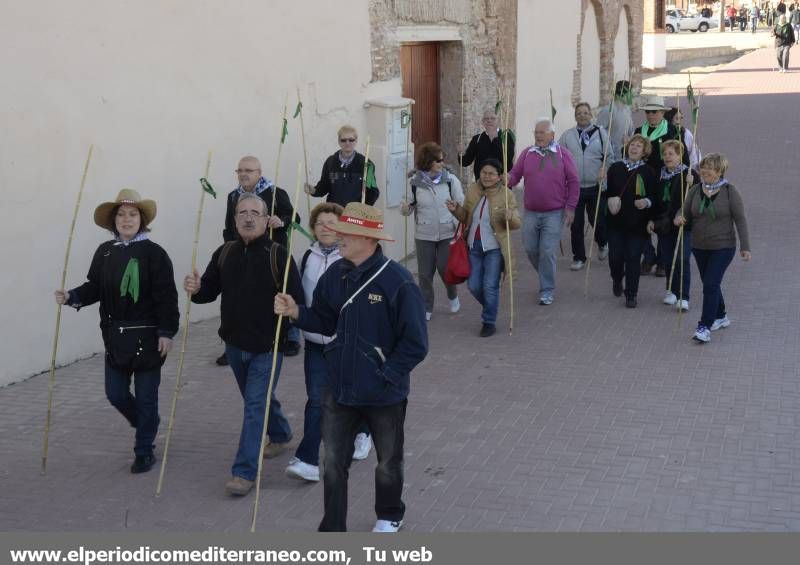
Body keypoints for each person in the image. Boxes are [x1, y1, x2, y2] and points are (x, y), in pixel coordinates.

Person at [274, 202, 428, 532]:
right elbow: (326, 320)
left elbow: (416, 344)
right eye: (339, 230)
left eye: (348, 232)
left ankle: (389, 515)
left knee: (388, 460)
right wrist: (297, 312)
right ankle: (333, 527)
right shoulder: (335, 274)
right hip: (339, 388)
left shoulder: (398, 282)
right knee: (331, 462)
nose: (338, 235)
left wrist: (385, 375)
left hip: (385, 394)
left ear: (369, 239)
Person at [183, 193, 304, 496]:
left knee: (253, 406)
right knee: (258, 402)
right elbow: (207, 292)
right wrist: (195, 289)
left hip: (268, 345)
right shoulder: (225, 253)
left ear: (266, 220)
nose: (248, 218)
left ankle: (244, 472)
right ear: (234, 220)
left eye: (255, 212)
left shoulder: (279, 255)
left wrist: (287, 312)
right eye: (242, 213)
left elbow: (297, 300)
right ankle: (280, 432)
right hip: (234, 346)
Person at [55, 189, 178, 474]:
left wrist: (166, 332)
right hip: (115, 337)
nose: (126, 219)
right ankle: (147, 422)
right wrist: (72, 296)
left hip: (148, 337)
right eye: (121, 215)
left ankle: (144, 450)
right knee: (116, 394)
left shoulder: (154, 254)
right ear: (113, 220)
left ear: (142, 219)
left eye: (132, 214)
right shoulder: (105, 252)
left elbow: (166, 297)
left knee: (147, 396)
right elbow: (95, 287)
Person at [284, 202, 373, 483]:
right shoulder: (305, 257)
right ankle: (308, 460)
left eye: (331, 223)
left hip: (345, 341)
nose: (325, 228)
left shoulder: (350, 259)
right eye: (320, 223)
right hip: (314, 340)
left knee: (347, 394)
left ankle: (364, 430)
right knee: (317, 399)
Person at [216, 155, 301, 366]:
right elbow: (229, 225)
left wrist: (280, 221)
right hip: (242, 254)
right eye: (240, 170)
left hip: (271, 253)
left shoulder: (275, 193)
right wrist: (229, 248)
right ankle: (233, 344)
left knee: (280, 295)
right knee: (238, 297)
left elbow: (294, 218)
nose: (243, 174)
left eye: (249, 170)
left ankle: (290, 337)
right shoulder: (232, 196)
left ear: (259, 173)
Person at [674, 154, 751, 343]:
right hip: (699, 246)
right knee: (712, 283)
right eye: (703, 167)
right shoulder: (694, 190)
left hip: (723, 246)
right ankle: (721, 315)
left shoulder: (730, 192)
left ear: (719, 171)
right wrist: (679, 218)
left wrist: (745, 247)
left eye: (710, 168)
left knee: (709, 284)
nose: (705, 171)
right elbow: (684, 211)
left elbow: (740, 219)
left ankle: (704, 326)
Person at [446, 159, 521, 337]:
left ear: (499, 176)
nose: (487, 177)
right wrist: (455, 209)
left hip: (494, 247)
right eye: (483, 173)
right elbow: (466, 217)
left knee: (489, 286)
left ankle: (489, 321)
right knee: (473, 285)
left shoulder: (506, 194)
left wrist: (509, 216)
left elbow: (517, 223)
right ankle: (491, 306)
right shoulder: (473, 189)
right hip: (474, 246)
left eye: (491, 174)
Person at [508, 118, 579, 305]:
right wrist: (506, 179)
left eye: (542, 132)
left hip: (555, 212)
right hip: (531, 211)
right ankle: (546, 274)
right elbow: (515, 175)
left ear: (552, 135)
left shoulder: (563, 154)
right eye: (536, 132)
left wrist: (570, 208)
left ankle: (547, 288)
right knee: (531, 249)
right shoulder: (527, 154)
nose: (538, 136)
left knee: (547, 251)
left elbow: (573, 182)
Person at [401, 142, 465, 320]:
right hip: (424, 233)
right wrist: (405, 208)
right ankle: (426, 306)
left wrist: (456, 211)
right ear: (428, 162)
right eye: (438, 160)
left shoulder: (451, 180)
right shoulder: (414, 183)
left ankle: (452, 295)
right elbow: (407, 206)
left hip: (447, 232)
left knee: (444, 268)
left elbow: (461, 202)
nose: (442, 163)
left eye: (442, 160)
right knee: (425, 273)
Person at [604, 135, 659, 308]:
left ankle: (632, 294)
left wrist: (647, 202)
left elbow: (655, 197)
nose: (634, 148)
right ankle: (617, 278)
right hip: (616, 223)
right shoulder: (615, 168)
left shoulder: (649, 172)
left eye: (638, 146)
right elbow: (606, 192)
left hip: (638, 224)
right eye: (632, 145)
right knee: (615, 257)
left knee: (633, 258)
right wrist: (608, 199)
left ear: (644, 151)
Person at [559, 102, 613, 270]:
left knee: (597, 220)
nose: (582, 115)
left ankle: (603, 242)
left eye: (585, 112)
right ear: (575, 116)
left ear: (591, 115)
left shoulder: (601, 133)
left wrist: (605, 168)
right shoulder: (568, 136)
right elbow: (558, 157)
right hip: (574, 188)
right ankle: (579, 257)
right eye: (579, 113)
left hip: (596, 185)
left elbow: (610, 156)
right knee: (576, 224)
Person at [635, 95, 685, 276]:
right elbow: (631, 154)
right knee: (641, 221)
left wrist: (685, 176)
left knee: (664, 221)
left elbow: (683, 156)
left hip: (666, 182)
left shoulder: (673, 131)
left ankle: (664, 260)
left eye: (654, 111)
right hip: (642, 183)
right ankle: (649, 256)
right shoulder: (639, 130)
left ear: (663, 113)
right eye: (648, 111)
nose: (650, 115)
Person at [654, 140, 694, 311]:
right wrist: (652, 220)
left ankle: (684, 296)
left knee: (682, 259)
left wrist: (693, 183)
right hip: (664, 224)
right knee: (668, 258)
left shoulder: (689, 175)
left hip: (683, 225)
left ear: (680, 156)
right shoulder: (659, 174)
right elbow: (655, 199)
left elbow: (694, 200)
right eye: (665, 154)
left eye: (671, 154)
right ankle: (671, 290)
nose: (667, 157)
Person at [304, 125, 380, 207]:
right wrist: (314, 191)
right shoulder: (330, 162)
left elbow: (373, 192)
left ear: (356, 141)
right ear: (339, 141)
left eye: (351, 140)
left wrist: (362, 209)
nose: (347, 143)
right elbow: (324, 186)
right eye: (343, 140)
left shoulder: (367, 164)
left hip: (355, 215)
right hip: (334, 213)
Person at [458, 108, 516, 181]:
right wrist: (461, 153)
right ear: (483, 122)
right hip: (481, 183)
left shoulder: (506, 137)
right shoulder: (477, 139)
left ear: (498, 121)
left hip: (501, 183)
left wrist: (495, 138)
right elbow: (466, 162)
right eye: (486, 119)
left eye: (492, 118)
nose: (489, 120)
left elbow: (509, 160)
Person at [596, 80, 636, 161]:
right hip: (610, 156)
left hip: (625, 155)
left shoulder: (627, 109)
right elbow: (598, 133)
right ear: (622, 94)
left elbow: (631, 131)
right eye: (630, 94)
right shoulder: (608, 110)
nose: (632, 97)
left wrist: (630, 139)